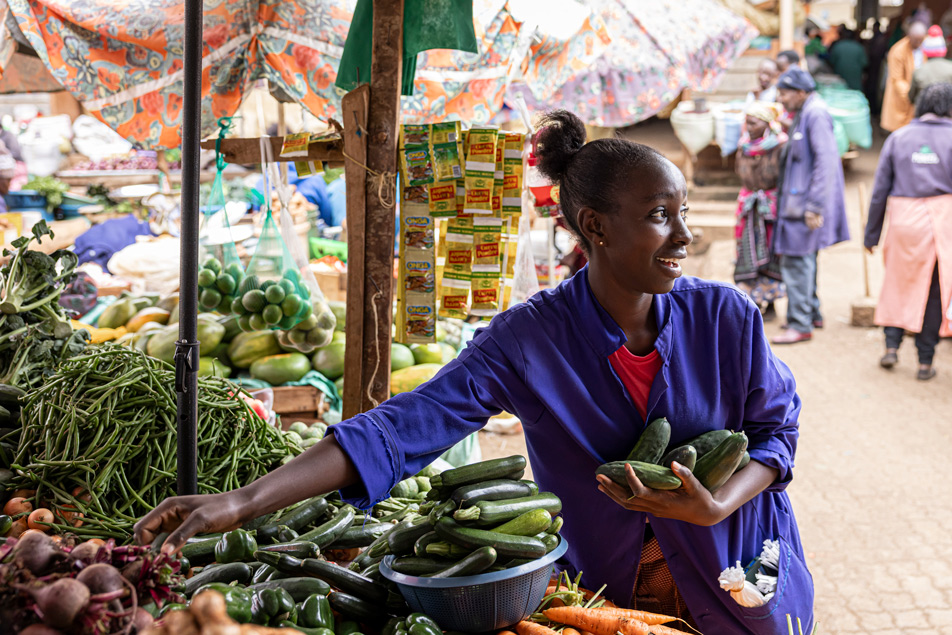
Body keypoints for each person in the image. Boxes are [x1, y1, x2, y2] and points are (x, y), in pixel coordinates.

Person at [134, 110, 814, 634]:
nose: (685, 237)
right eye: (660, 218)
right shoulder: (531, 338)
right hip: (609, 596)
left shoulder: (726, 317)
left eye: (683, 213)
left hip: (735, 572)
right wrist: (239, 503)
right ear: (595, 227)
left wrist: (718, 500)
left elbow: (775, 431)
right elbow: (402, 428)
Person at [865, 83, 952, 381]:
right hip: (943, 223)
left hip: (903, 222)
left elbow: (879, 193)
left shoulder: (899, 138)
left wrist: (871, 235)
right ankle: (925, 362)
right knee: (934, 291)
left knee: (897, 282)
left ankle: (891, 346)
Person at [772, 68, 850, 344]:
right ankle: (813, 313)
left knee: (797, 260)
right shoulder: (805, 113)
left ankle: (800, 323)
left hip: (803, 203)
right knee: (806, 259)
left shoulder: (815, 114)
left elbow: (826, 162)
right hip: (800, 199)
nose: (780, 98)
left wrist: (815, 205)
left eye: (784, 93)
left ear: (801, 93)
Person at [733, 102, 788, 321]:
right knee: (746, 252)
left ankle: (772, 303)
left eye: (753, 122)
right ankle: (753, 302)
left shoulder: (780, 146)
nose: (748, 126)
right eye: (747, 121)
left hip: (770, 207)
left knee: (771, 251)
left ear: (766, 123)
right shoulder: (743, 146)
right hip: (748, 205)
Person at [882, 21, 928, 132]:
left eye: (920, 40)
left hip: (916, 96)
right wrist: (911, 95)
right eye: (915, 40)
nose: (918, 43)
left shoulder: (923, 49)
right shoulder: (898, 51)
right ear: (908, 36)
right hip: (902, 97)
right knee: (900, 130)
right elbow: (897, 79)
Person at [908, 25, 952, 105]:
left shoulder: (918, 72)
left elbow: (911, 98)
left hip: (923, 114)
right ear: (944, 50)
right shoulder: (950, 68)